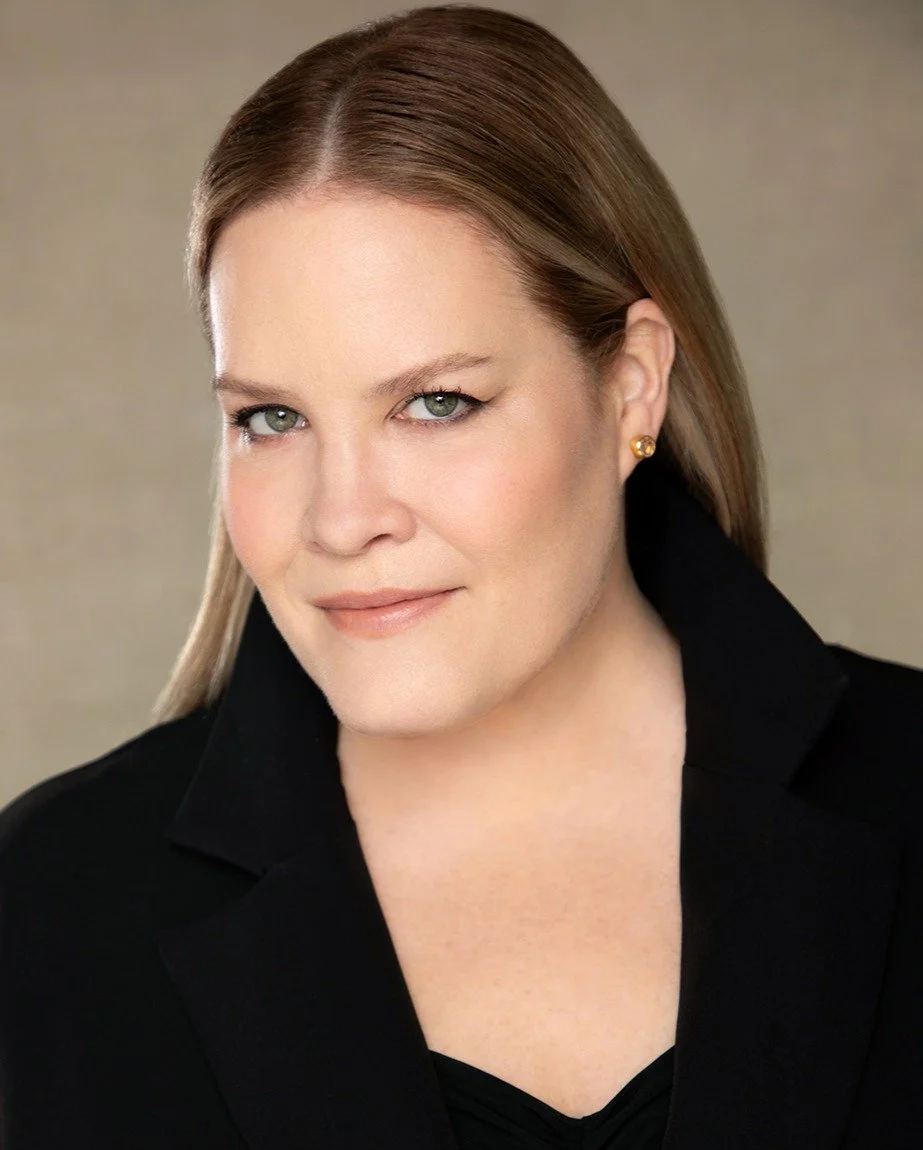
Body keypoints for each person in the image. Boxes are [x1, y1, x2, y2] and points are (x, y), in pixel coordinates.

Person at [1, 4, 921, 1147]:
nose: (342, 520)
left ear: (630, 385)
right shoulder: (51, 906)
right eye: (271, 417)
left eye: (436, 403)